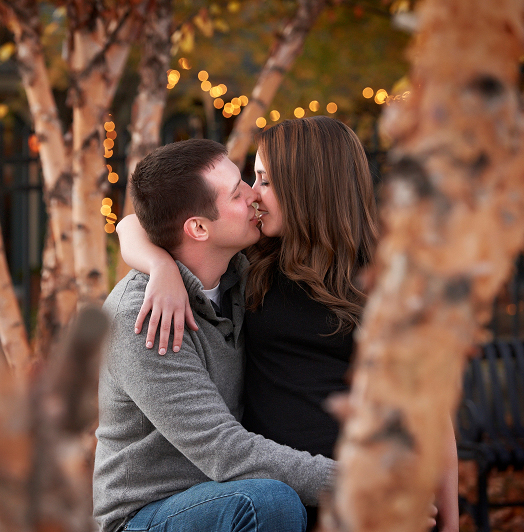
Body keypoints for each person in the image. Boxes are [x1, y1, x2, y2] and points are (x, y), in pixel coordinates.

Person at [115, 116, 458, 532]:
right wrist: (159, 265)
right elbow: (147, 220)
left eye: (261, 180)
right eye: (247, 184)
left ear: (305, 188)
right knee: (271, 502)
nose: (253, 196)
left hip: (307, 491)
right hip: (229, 501)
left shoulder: (382, 281)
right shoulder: (233, 275)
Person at [93, 138, 337, 532]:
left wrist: (161, 264)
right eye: (239, 194)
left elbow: (134, 221)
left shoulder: (238, 272)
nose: (255, 197)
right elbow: (225, 452)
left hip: (223, 495)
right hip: (146, 515)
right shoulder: (141, 318)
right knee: (270, 503)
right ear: (199, 228)